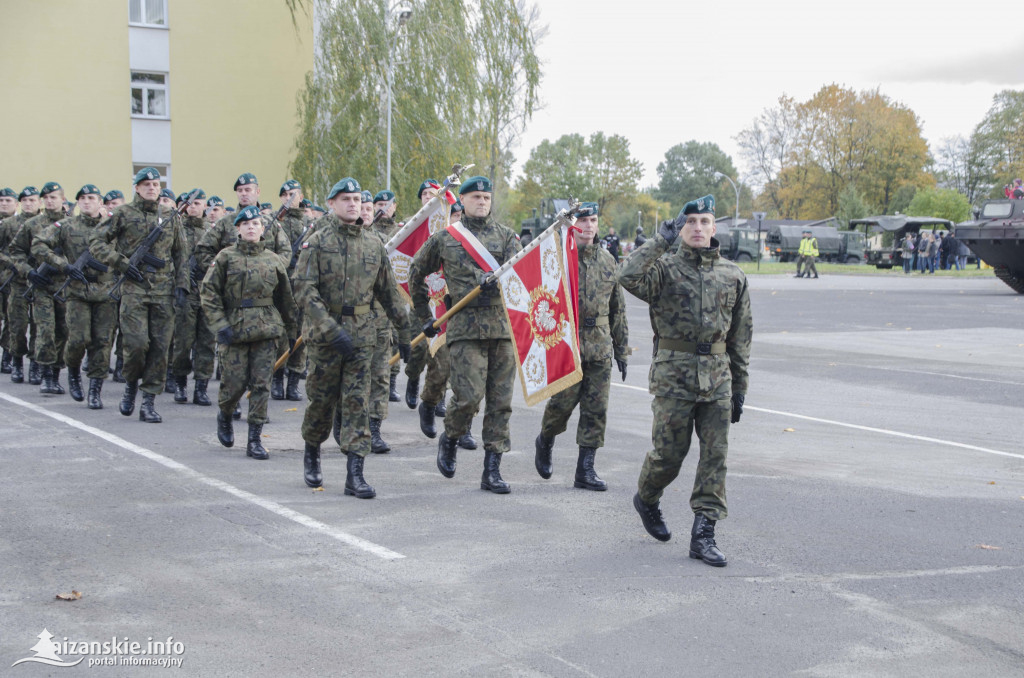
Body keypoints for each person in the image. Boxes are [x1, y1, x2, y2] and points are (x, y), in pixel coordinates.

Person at [619, 194, 752, 567]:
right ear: (682, 227)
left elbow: (740, 338)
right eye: (690, 221)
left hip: (718, 380)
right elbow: (627, 275)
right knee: (669, 456)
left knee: (715, 458)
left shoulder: (733, 275)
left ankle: (704, 533)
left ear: (714, 227)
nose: (697, 228)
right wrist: (660, 240)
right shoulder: (663, 269)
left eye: (704, 221)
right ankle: (646, 498)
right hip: (673, 378)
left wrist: (740, 388)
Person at [292, 178, 410, 497]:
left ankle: (355, 473)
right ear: (331, 203)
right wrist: (329, 328)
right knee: (322, 400)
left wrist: (404, 332)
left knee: (358, 402)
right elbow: (303, 288)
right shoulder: (317, 241)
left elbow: (388, 292)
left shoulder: (373, 244)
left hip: (363, 335)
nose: (353, 204)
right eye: (346, 198)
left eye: (357, 198)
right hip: (325, 336)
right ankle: (312, 451)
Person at [410, 175, 522, 494]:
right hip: (465, 330)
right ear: (463, 201)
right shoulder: (447, 239)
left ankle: (492, 470)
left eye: (486, 198)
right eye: (475, 197)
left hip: (502, 331)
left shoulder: (506, 237)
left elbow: (520, 276)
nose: (482, 202)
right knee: (468, 398)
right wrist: (424, 316)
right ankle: (451, 437)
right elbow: (415, 274)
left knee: (501, 403)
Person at [534, 202, 629, 491]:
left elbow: (618, 309)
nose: (588, 225)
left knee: (596, 409)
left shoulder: (608, 261)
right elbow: (540, 300)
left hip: (599, 347)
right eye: (583, 220)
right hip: (567, 343)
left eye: (593, 219)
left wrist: (622, 350)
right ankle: (546, 439)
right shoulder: (558, 259)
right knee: (561, 405)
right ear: (572, 224)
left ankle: (585, 469)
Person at [91, 166, 188, 423]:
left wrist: (182, 285)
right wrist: (121, 263)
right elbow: (97, 242)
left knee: (159, 347)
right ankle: (131, 384)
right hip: (134, 289)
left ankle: (148, 401)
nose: (152, 188)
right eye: (146, 184)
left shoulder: (170, 215)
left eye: (156, 185)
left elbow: (181, 253)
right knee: (135, 344)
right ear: (136, 187)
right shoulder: (122, 214)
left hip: (164, 291)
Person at [201, 205, 297, 460]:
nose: (251, 227)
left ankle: (254, 439)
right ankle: (225, 414)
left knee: (261, 385)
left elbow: (285, 299)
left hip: (266, 330)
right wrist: (219, 325)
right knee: (233, 384)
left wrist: (291, 331)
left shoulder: (274, 260)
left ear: (263, 228)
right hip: (234, 329)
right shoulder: (225, 257)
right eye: (246, 224)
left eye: (256, 224)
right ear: (238, 229)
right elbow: (209, 293)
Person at [32, 184, 116, 408]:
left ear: (101, 202)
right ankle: (73, 373)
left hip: (106, 292)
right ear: (77, 202)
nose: (87, 202)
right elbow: (39, 244)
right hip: (77, 291)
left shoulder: (114, 226)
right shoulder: (67, 225)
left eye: (92, 198)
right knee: (78, 339)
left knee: (102, 342)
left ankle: (95, 390)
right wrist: (63, 265)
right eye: (83, 198)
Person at [12, 182, 70, 395]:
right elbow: (15, 252)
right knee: (45, 330)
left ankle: (55, 374)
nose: (49, 201)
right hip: (41, 286)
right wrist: (29, 272)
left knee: (63, 331)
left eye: (54, 197)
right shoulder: (32, 224)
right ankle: (46, 376)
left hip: (65, 287)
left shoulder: (73, 224)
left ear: (63, 199)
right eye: (46, 198)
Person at [169, 189, 216, 406]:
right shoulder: (176, 227)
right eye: (190, 203)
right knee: (183, 342)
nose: (193, 207)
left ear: (204, 205)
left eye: (198, 203)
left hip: (207, 292)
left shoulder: (213, 230)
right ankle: (180, 383)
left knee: (206, 342)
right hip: (185, 291)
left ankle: (201, 387)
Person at [0, 187, 41, 383]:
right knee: (16, 324)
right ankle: (16, 361)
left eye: (32, 200)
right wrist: (13, 263)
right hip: (16, 281)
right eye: (24, 200)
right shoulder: (9, 224)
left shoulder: (47, 224)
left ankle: (34, 365)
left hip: (41, 282)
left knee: (39, 325)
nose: (28, 204)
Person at [277, 179, 311, 401]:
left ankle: (293, 383)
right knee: (279, 335)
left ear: (301, 197)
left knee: (301, 335)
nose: (290, 197)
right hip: (279, 287)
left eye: (294, 194)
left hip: (302, 287)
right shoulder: (272, 223)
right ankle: (277, 379)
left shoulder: (311, 224)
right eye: (286, 194)